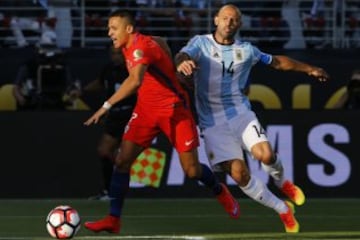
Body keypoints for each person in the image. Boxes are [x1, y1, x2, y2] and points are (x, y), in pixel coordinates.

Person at [175, 4, 329, 233]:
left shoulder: (246, 51)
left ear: (239, 24)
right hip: (212, 122)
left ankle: (282, 181)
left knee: (266, 155)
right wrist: (182, 62)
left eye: (234, 19)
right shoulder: (201, 43)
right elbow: (183, 54)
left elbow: (278, 62)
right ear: (216, 20)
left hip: (240, 113)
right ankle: (282, 209)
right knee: (239, 173)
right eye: (225, 18)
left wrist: (309, 69)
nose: (229, 22)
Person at [83, 9, 240, 234]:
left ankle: (219, 189)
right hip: (145, 112)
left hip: (174, 111)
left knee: (193, 171)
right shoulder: (137, 43)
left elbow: (135, 80)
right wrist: (171, 68)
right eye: (109, 28)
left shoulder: (140, 46)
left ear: (128, 29)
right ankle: (113, 219)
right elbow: (162, 42)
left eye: (114, 29)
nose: (109, 33)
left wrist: (106, 106)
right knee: (121, 162)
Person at [71, 47, 137, 200]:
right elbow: (100, 82)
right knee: (105, 151)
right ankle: (109, 191)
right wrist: (82, 91)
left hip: (130, 115)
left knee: (122, 155)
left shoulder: (133, 69)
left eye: (119, 54)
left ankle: (118, 188)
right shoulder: (108, 69)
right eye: (113, 54)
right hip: (114, 115)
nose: (116, 57)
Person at [13, 43, 73, 110]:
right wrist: (20, 98)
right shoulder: (29, 66)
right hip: (33, 103)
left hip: (56, 102)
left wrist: (71, 94)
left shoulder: (62, 66)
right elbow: (16, 88)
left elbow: (69, 86)